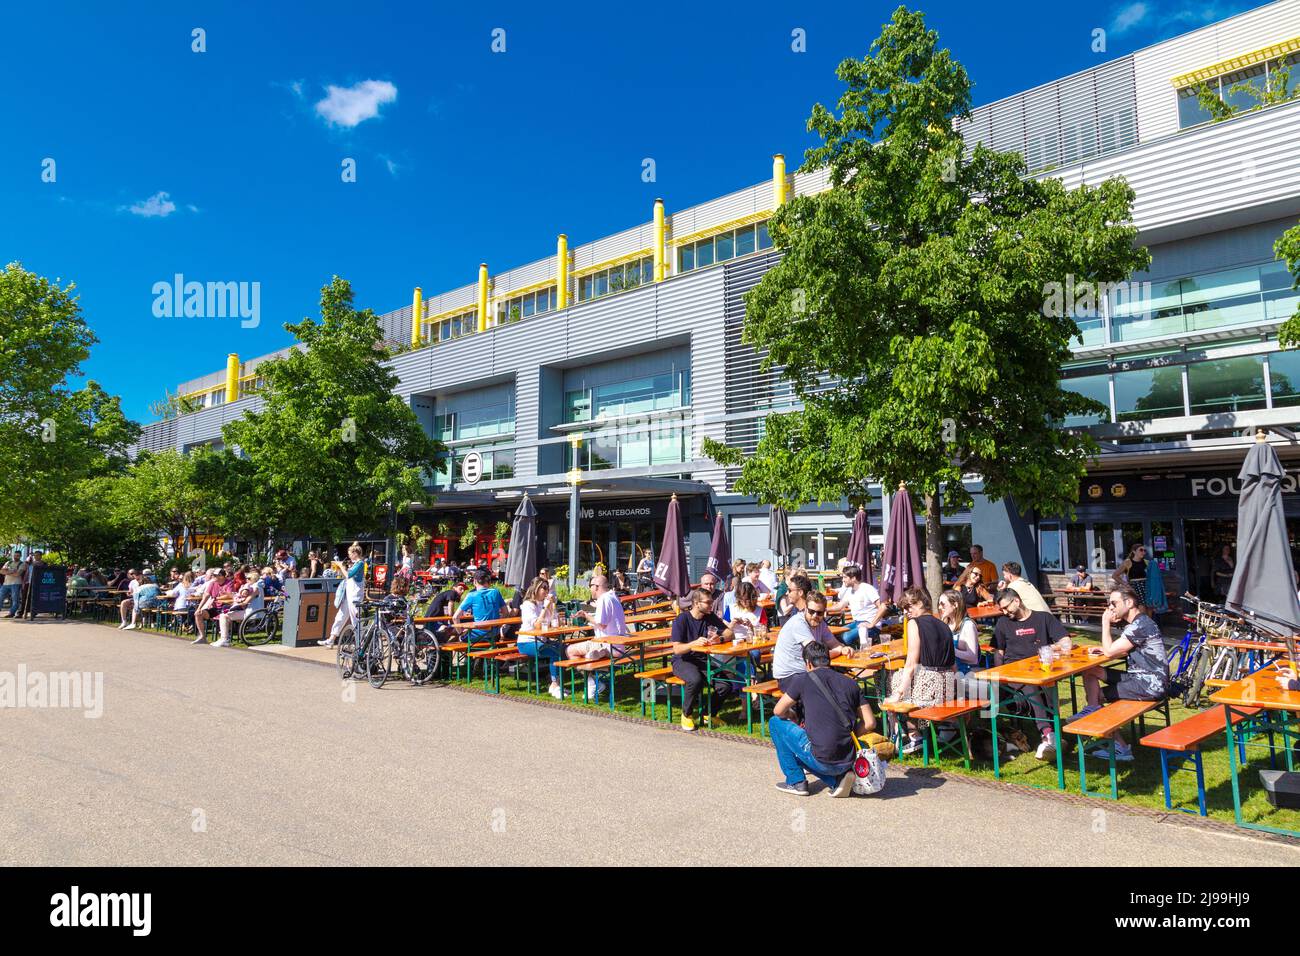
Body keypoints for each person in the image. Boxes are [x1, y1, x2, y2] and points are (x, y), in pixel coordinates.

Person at [1071, 586, 1170, 760]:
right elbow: (1121, 650)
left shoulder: (1140, 624)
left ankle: (1121, 748)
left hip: (1150, 684)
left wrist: (1105, 622)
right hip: (1139, 677)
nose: (1111, 608)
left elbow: (1110, 653)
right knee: (1090, 671)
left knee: (1097, 695)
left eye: (1114, 603)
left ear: (1129, 602)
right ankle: (1092, 709)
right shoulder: (1139, 623)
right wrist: (1104, 648)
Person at [770, 641, 877, 797]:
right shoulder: (851, 683)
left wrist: (791, 716)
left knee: (775, 724)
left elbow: (778, 711)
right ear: (829, 660)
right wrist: (848, 736)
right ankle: (837, 779)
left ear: (808, 663)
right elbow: (870, 723)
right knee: (816, 750)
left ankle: (796, 781)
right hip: (848, 757)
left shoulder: (802, 680)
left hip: (822, 757)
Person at [991, 588, 1070, 761]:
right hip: (1014, 674)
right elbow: (999, 651)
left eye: (1006, 608)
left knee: (1048, 683)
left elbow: (1066, 642)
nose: (1004, 612)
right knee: (1030, 683)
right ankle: (1048, 734)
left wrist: (1047, 648)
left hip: (1041, 670)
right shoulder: (1003, 623)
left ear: (1016, 601)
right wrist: (999, 676)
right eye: (1001, 610)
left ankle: (1053, 734)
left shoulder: (1043, 618)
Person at [885, 587, 958, 755]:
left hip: (929, 685)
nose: (905, 612)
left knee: (888, 681)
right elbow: (953, 665)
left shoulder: (914, 624)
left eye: (908, 607)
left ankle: (910, 734)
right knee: (902, 681)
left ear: (920, 603)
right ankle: (913, 731)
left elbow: (911, 662)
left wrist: (898, 693)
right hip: (946, 685)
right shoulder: (944, 625)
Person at [669, 588, 733, 732]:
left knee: (725, 685)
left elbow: (729, 632)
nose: (712, 604)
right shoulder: (682, 619)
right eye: (708, 602)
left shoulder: (709, 616)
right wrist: (693, 644)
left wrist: (720, 639)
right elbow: (677, 649)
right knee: (695, 680)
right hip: (682, 660)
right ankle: (687, 714)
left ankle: (708, 714)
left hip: (703, 659)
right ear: (697, 603)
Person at [567, 574, 630, 703]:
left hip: (606, 643)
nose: (590, 589)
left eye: (590, 586)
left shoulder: (603, 599)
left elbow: (601, 624)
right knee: (588, 653)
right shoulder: (613, 597)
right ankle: (594, 662)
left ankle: (592, 682)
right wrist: (588, 615)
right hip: (619, 646)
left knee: (569, 650)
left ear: (596, 587)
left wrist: (585, 616)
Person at [771, 590, 851, 692]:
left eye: (819, 613)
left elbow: (834, 643)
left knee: (845, 686)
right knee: (826, 691)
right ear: (805, 609)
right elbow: (816, 655)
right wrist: (839, 651)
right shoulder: (798, 623)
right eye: (811, 611)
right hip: (790, 675)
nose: (814, 616)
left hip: (809, 671)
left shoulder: (821, 623)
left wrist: (843, 648)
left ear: (824, 612)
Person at [517, 577, 564, 699]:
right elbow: (537, 626)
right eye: (544, 587)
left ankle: (557, 684)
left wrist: (552, 606)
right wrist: (544, 608)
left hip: (541, 640)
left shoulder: (544, 604)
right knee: (555, 651)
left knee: (563, 649)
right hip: (526, 642)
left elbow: (556, 623)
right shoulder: (528, 605)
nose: (546, 590)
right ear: (535, 589)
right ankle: (554, 684)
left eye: (547, 588)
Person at [321, 543, 367, 648]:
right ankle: (331, 639)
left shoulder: (360, 563)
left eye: (350, 553)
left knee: (355, 618)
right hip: (349, 594)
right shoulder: (355, 563)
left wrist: (341, 566)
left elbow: (349, 575)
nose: (349, 555)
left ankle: (360, 643)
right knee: (340, 616)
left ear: (355, 553)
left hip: (355, 595)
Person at [451, 567, 508, 649]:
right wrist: (498, 625)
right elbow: (505, 613)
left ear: (474, 582)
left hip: (478, 636)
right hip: (494, 634)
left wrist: (460, 633)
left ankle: (467, 661)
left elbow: (455, 617)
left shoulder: (472, 595)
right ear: (488, 582)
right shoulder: (496, 592)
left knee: (459, 638)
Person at [831, 563, 885, 647]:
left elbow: (883, 607)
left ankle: (857, 653)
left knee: (845, 638)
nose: (843, 580)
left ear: (853, 578)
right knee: (837, 635)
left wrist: (871, 624)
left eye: (845, 577)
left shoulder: (867, 589)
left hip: (872, 626)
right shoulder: (850, 590)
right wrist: (825, 610)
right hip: (857, 622)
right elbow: (840, 605)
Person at [938, 588, 980, 674]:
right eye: (939, 604)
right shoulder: (945, 624)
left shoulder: (967, 625)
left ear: (955, 605)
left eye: (942, 604)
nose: (939, 607)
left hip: (965, 673)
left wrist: (951, 650)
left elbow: (973, 657)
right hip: (949, 672)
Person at [0, 552, 21, 617]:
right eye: (15, 555)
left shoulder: (22, 564)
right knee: (0, 597)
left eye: (18, 556)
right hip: (5, 584)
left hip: (16, 584)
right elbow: (1, 571)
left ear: (20, 556)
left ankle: (11, 613)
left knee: (15, 600)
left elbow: (18, 574)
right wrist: (12, 571)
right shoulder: (8, 562)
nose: (16, 556)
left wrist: (7, 572)